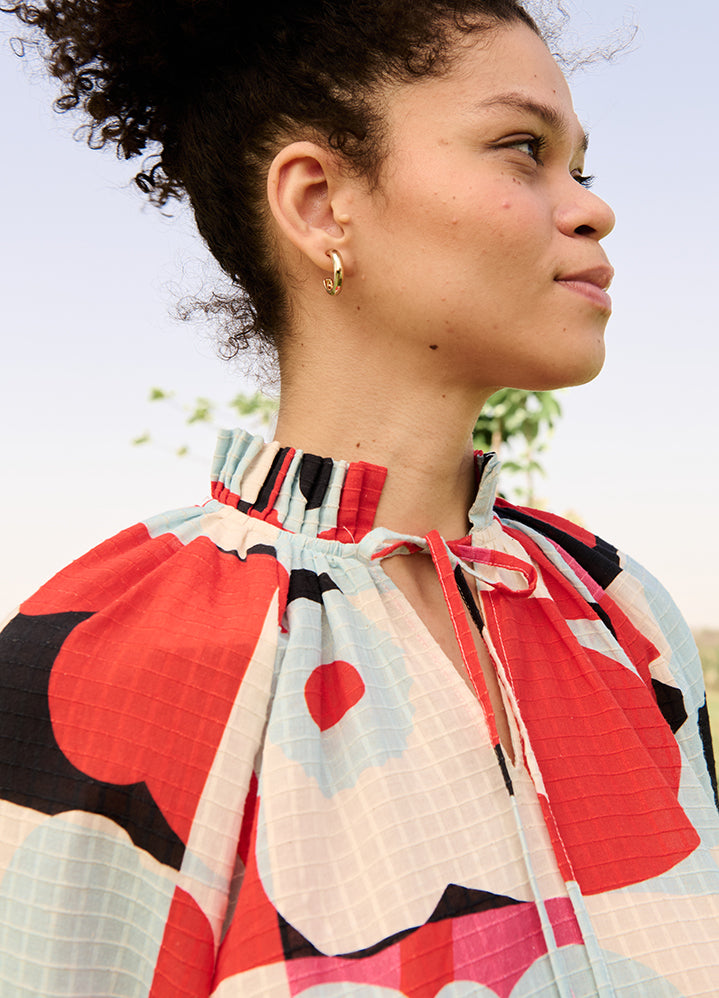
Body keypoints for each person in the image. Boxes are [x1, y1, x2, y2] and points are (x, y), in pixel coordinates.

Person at [0, 1, 717, 996]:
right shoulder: (106, 656)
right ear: (320, 202)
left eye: (579, 166)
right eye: (521, 148)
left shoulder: (619, 612)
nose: (592, 208)